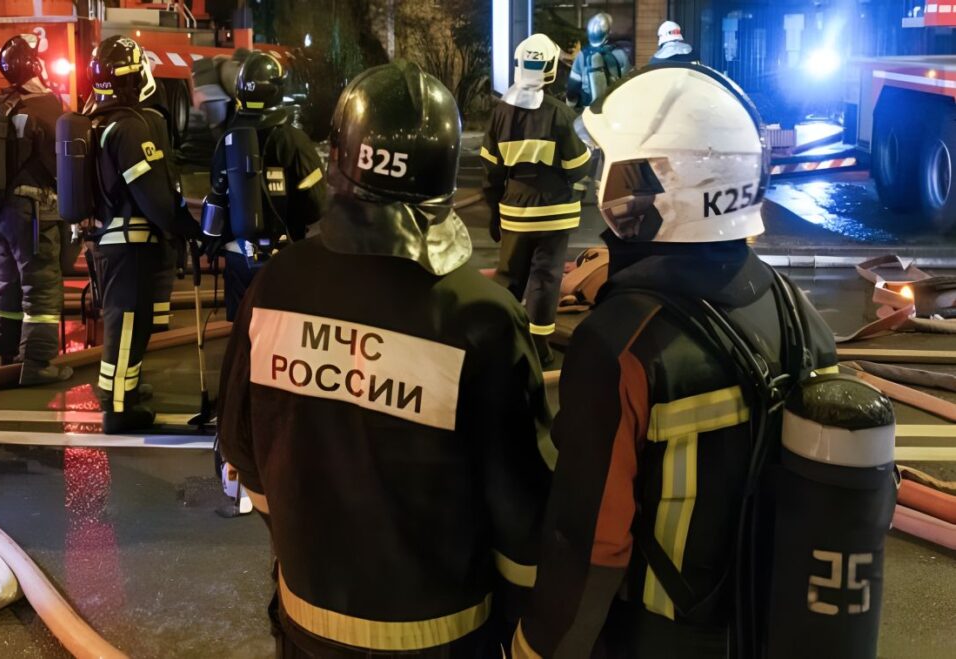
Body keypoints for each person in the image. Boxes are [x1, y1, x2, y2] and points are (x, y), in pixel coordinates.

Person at [218, 60, 554, 657]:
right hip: (447, 637)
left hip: (306, 626)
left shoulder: (277, 284)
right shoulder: (483, 316)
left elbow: (241, 450)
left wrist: (300, 554)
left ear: (338, 161)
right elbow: (521, 512)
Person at [511, 64, 839, 658]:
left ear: (658, 187)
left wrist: (536, 649)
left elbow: (590, 543)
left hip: (661, 638)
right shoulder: (796, 311)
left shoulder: (620, 346)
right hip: (770, 625)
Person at [86, 36, 202, 433]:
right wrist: (186, 227)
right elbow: (152, 195)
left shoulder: (99, 120)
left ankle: (126, 391)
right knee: (127, 326)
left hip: (112, 237)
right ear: (136, 77)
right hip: (131, 245)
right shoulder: (131, 127)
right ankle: (119, 409)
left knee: (129, 325)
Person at [482, 33, 592, 367]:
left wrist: (494, 212)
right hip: (555, 214)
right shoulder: (560, 114)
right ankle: (538, 348)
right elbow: (577, 167)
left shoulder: (500, 113)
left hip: (514, 211)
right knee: (545, 279)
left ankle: (503, 342)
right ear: (550, 69)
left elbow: (491, 170)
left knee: (508, 278)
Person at [202, 51, 326, 321]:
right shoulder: (294, 142)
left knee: (241, 332)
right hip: (283, 258)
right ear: (277, 90)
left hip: (237, 257)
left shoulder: (227, 141)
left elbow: (217, 194)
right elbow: (316, 205)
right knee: (278, 334)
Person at [0, 35, 68, 384]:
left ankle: (6, 354)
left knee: (8, 282)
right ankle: (37, 363)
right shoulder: (46, 105)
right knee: (41, 285)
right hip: (32, 213)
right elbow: (61, 164)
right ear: (35, 65)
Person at [566, 13, 630, 110]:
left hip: (588, 110)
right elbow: (627, 84)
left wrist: (570, 106)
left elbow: (573, 87)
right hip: (613, 108)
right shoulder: (620, 53)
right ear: (608, 33)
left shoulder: (582, 55)